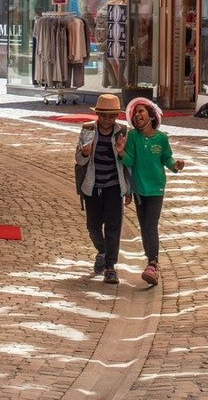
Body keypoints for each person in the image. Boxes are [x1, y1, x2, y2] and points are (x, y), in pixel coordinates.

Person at [120, 96, 185, 286]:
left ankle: (153, 263)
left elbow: (167, 158)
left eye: (141, 111)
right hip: (140, 190)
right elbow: (130, 161)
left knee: (150, 226)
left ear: (151, 115)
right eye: (135, 112)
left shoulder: (162, 138)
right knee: (144, 227)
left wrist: (176, 165)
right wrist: (121, 153)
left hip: (156, 189)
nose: (137, 114)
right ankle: (151, 262)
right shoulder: (132, 136)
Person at [75, 93, 131, 285]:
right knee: (93, 226)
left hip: (114, 187)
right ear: (97, 114)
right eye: (104, 116)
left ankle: (110, 267)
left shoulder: (122, 132)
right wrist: (84, 154)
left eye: (111, 116)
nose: (107, 120)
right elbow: (78, 160)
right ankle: (102, 250)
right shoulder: (88, 130)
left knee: (113, 228)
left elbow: (128, 163)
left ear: (117, 116)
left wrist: (129, 188)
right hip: (92, 186)